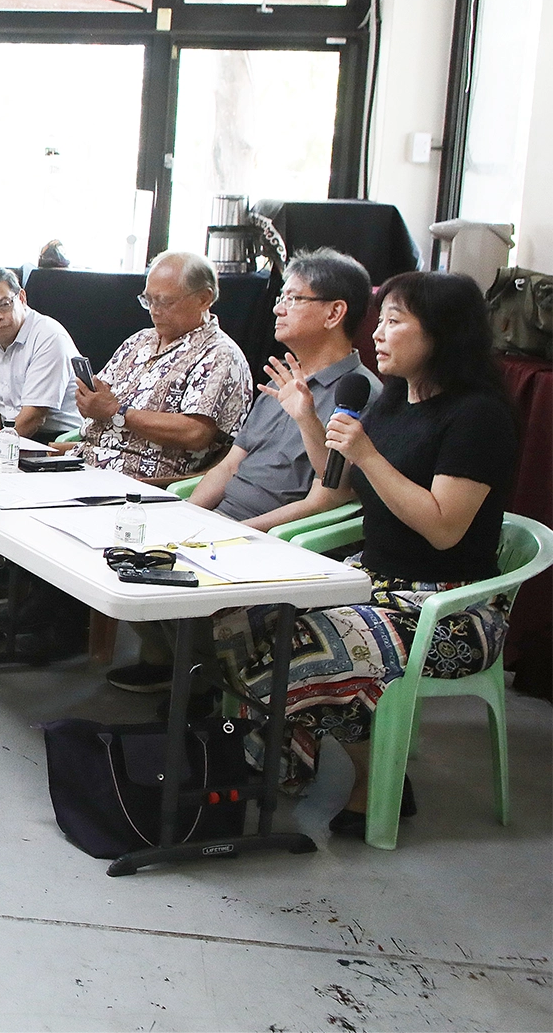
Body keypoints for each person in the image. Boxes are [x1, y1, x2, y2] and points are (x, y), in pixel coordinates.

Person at [213, 271, 517, 837]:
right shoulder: (397, 400)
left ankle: (347, 781)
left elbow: (445, 529)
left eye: (396, 320)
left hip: (446, 609)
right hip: (373, 583)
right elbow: (339, 484)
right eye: (381, 319)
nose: (378, 333)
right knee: (241, 620)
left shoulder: (478, 417)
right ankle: (271, 774)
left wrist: (370, 455)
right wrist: (308, 417)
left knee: (295, 651)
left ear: (443, 333)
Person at [108, 249, 379, 695]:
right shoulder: (282, 378)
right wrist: (188, 517)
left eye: (293, 298)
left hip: (281, 533)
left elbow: (328, 497)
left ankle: (208, 685)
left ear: (335, 312)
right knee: (122, 546)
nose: (278, 307)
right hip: (227, 521)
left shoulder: (358, 394)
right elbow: (230, 462)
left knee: (168, 561)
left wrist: (241, 531)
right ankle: (184, 668)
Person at [74, 250, 252, 482]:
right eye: (148, 300)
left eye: (165, 301)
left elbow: (196, 433)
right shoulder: (140, 340)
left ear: (204, 299)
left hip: (139, 480)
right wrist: (90, 401)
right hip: (84, 461)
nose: (154, 310)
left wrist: (116, 412)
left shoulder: (218, 354)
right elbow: (101, 399)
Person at [0, 266, 82, 441]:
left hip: (56, 439)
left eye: (4, 305)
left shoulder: (48, 336)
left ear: (22, 298)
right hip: (10, 434)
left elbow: (33, 418)